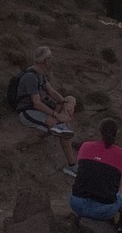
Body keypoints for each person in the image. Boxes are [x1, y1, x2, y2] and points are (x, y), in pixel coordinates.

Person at [12, 47, 79, 177]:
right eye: (50, 58)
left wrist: (65, 103)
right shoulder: (30, 77)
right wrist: (57, 115)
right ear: (46, 60)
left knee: (71, 99)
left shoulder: (40, 74)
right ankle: (72, 165)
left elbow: (52, 92)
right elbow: (36, 103)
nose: (52, 60)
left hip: (43, 108)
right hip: (29, 112)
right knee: (63, 131)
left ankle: (61, 125)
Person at [70, 118, 122, 223]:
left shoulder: (85, 146)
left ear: (99, 132)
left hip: (77, 204)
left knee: (88, 172)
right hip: (104, 210)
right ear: (116, 134)